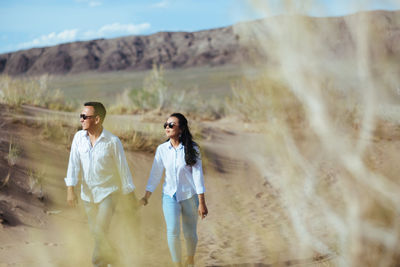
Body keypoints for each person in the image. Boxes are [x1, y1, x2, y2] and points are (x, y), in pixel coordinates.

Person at [65, 101, 138, 267]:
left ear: (97, 119)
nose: (81, 119)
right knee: (97, 234)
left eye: (85, 116)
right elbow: (73, 165)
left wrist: (130, 196)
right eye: (80, 116)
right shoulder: (78, 138)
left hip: (109, 193)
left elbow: (123, 170)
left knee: (100, 231)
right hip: (87, 195)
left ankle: (97, 262)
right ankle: (113, 258)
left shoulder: (112, 141)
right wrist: (70, 190)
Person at [140, 113, 208, 267]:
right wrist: (146, 196)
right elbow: (155, 174)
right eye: (166, 125)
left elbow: (198, 176)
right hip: (169, 196)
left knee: (190, 234)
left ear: (181, 129)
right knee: (172, 231)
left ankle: (190, 259)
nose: (167, 127)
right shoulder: (162, 149)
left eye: (171, 125)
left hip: (190, 196)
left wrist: (202, 202)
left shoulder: (193, 148)